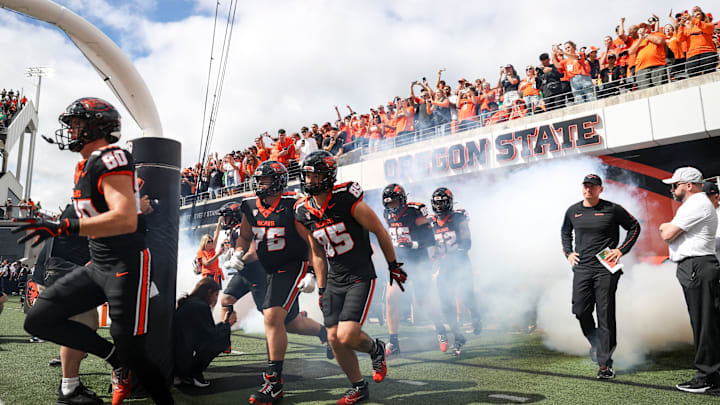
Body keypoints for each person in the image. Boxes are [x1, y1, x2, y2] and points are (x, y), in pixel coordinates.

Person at [15, 97, 173, 405]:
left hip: (126, 265)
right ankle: (115, 361)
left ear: (97, 126)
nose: (71, 130)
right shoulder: (84, 166)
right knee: (38, 319)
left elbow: (125, 219)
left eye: (77, 124)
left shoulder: (112, 157)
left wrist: (62, 227)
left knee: (134, 352)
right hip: (96, 263)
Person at [295, 150, 407, 404]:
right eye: (307, 176)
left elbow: (379, 230)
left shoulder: (346, 199)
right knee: (333, 338)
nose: (310, 181)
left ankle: (376, 350)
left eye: (315, 175)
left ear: (328, 175)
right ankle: (358, 386)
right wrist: (322, 288)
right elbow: (317, 252)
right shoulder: (303, 211)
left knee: (347, 335)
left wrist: (392, 264)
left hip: (359, 274)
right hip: (335, 277)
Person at [231, 160, 330, 404]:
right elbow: (244, 236)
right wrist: (237, 253)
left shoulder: (292, 205)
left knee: (272, 317)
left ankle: (274, 382)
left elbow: (312, 242)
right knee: (289, 321)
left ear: (277, 182)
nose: (260, 184)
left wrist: (310, 272)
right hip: (267, 268)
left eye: (264, 179)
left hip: (291, 265)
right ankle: (324, 333)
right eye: (259, 179)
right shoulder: (250, 205)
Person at [561, 174, 641, 380]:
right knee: (579, 310)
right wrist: (568, 253)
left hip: (607, 267)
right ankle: (596, 341)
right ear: (582, 188)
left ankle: (605, 364)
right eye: (586, 186)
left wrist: (621, 250)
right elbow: (565, 233)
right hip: (582, 267)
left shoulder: (612, 209)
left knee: (605, 314)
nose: (589, 189)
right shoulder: (573, 211)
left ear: (600, 189)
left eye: (593, 186)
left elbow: (634, 226)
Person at [28, 204, 101, 404]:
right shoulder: (87, 209)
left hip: (53, 273)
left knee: (87, 324)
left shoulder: (80, 207)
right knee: (83, 326)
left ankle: (69, 358)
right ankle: (69, 387)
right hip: (59, 275)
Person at [659, 167, 720, 393]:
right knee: (706, 323)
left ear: (689, 185)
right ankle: (710, 374)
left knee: (704, 324)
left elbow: (667, 234)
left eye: (675, 185)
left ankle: (707, 377)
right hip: (697, 266)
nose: (672, 189)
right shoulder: (697, 205)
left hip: (697, 265)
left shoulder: (695, 204)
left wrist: (665, 226)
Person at [381, 183, 438, 357]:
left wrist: (412, 244)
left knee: (422, 302)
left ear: (402, 200)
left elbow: (430, 239)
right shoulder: (387, 215)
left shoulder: (415, 211)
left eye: (394, 203)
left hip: (419, 261)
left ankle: (440, 328)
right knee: (391, 298)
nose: (392, 208)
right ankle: (394, 341)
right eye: (388, 204)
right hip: (401, 263)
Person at [428, 187, 481, 356]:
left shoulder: (458, 217)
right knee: (446, 303)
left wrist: (457, 253)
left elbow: (466, 241)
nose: (439, 206)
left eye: (442, 202)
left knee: (466, 296)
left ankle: (476, 316)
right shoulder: (431, 221)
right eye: (436, 203)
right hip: (444, 266)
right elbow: (429, 246)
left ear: (449, 202)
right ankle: (458, 336)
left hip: (460, 262)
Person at [174, 278, 235, 388]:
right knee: (220, 341)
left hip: (176, 356)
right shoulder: (201, 306)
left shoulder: (189, 303)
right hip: (181, 358)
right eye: (216, 295)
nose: (216, 299)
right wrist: (227, 325)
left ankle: (185, 373)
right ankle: (194, 374)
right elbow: (210, 335)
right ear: (209, 292)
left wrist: (224, 324)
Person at [197, 218, 227, 288]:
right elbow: (206, 263)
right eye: (208, 242)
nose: (211, 243)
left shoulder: (212, 249)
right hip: (208, 276)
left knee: (216, 294)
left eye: (211, 241)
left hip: (216, 274)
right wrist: (217, 255)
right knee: (209, 294)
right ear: (204, 243)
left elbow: (216, 235)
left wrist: (219, 222)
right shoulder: (201, 252)